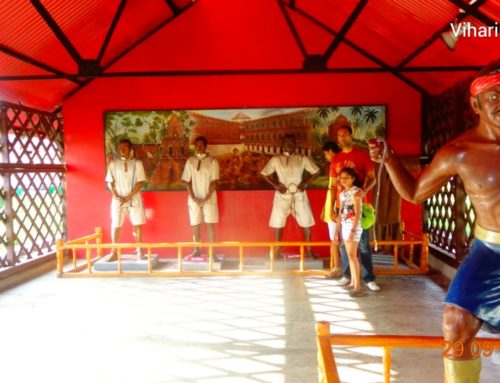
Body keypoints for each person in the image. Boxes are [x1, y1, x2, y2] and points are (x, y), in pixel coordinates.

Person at [369, 61, 500, 383]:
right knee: (455, 320)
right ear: (476, 104)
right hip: (490, 250)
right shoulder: (459, 152)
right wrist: (391, 160)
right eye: (495, 95)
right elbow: (414, 193)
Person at [332, 126, 380, 291]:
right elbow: (333, 185)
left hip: (359, 206)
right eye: (339, 135)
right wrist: (333, 206)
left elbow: (373, 179)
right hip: (342, 207)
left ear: (351, 135)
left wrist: (363, 191)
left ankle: (368, 278)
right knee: (344, 246)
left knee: (363, 245)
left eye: (344, 134)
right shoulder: (336, 159)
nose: (341, 137)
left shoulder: (362, 155)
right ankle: (348, 276)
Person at [261, 133, 320, 258]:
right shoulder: (276, 159)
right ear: (283, 144)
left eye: (292, 143)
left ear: (295, 144)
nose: (289, 145)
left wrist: (306, 182)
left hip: (299, 194)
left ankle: (309, 251)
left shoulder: (302, 158)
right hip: (282, 195)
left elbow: (316, 171)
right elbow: (264, 173)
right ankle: (276, 251)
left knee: (306, 222)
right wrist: (275, 184)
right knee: (278, 223)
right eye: (287, 143)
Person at [103, 138, 147, 262]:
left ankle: (139, 251)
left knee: (137, 224)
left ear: (130, 149)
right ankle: (114, 252)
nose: (122, 150)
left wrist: (129, 196)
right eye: (120, 148)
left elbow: (140, 182)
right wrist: (116, 195)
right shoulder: (113, 164)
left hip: (134, 198)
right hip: (118, 200)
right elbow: (110, 182)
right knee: (116, 225)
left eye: (125, 147)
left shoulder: (137, 163)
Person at [181, 136, 220, 257]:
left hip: (209, 198)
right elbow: (186, 181)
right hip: (194, 199)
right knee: (195, 224)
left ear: (205, 146)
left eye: (201, 145)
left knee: (210, 224)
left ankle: (212, 252)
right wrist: (193, 197)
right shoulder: (190, 161)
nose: (199, 147)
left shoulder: (213, 161)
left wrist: (206, 198)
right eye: (196, 145)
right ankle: (196, 250)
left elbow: (215, 182)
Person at [338, 167, 364, 297]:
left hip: (354, 226)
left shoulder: (356, 191)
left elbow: (358, 212)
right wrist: (338, 228)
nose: (343, 180)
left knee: (352, 255)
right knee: (349, 255)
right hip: (345, 225)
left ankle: (357, 286)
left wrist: (353, 230)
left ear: (353, 179)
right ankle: (353, 282)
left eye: (346, 177)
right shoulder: (342, 193)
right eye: (341, 177)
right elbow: (341, 212)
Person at [321, 141, 343, 277]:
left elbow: (333, 188)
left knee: (335, 238)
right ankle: (341, 267)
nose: (325, 157)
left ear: (330, 151)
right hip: (337, 204)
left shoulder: (336, 163)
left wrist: (330, 208)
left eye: (325, 154)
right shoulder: (340, 163)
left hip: (337, 206)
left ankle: (337, 267)